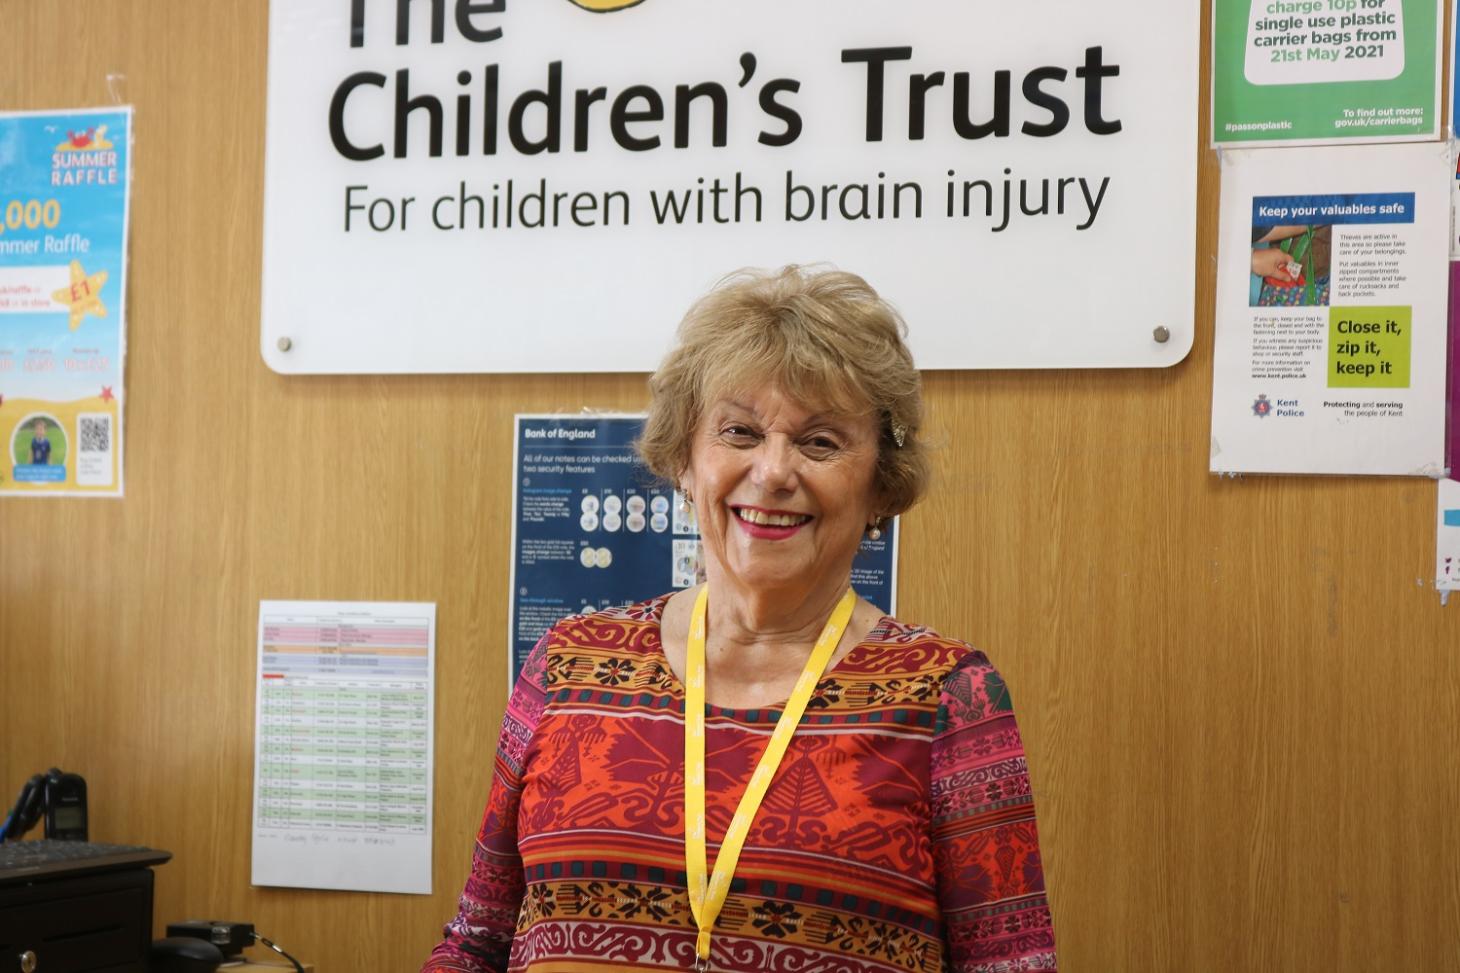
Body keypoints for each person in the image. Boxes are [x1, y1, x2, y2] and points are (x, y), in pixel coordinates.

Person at [423, 266, 1057, 972]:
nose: (774, 470)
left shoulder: (948, 696)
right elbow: (477, 942)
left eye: (820, 441)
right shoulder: (568, 664)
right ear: (686, 460)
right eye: (740, 431)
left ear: (880, 481)